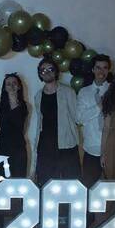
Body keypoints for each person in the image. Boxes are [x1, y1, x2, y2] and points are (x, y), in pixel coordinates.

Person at [33, 57, 81, 186]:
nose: (47, 72)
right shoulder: (38, 96)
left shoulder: (68, 92)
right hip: (45, 146)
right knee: (46, 183)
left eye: (50, 69)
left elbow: (77, 117)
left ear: (56, 72)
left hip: (66, 144)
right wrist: (36, 145)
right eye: (43, 70)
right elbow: (39, 123)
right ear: (39, 74)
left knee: (71, 183)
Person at [76, 54, 111, 188]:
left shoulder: (114, 90)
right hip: (91, 149)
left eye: (105, 68)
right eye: (98, 68)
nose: (101, 71)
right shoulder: (84, 92)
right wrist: (98, 107)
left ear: (108, 70)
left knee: (112, 188)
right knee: (89, 188)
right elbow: (79, 118)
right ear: (93, 70)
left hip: (111, 148)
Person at [0, 73, 28, 177]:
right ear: (4, 87)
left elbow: (24, 128)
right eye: (8, 84)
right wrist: (2, 140)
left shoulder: (26, 106)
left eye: (14, 83)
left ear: (19, 86)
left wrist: (16, 141)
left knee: (19, 178)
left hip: (19, 148)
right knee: (1, 179)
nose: (11, 86)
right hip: (3, 147)